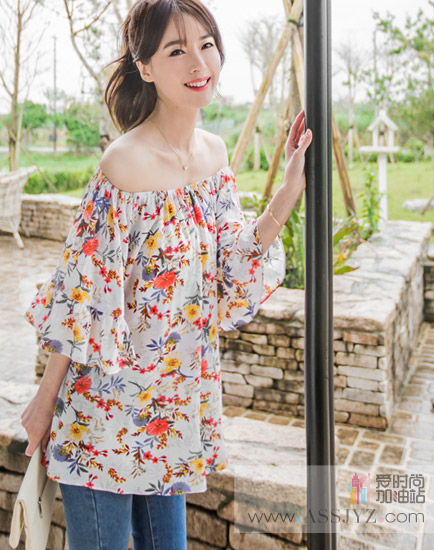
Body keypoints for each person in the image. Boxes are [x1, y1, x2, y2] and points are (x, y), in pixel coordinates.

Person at [20, 0, 312, 548]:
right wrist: (44, 401)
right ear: (146, 67)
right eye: (176, 51)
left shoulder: (214, 155)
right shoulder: (123, 164)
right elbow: (82, 297)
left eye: (206, 44)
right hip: (104, 416)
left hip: (172, 414)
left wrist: (288, 190)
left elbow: (232, 267)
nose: (198, 62)